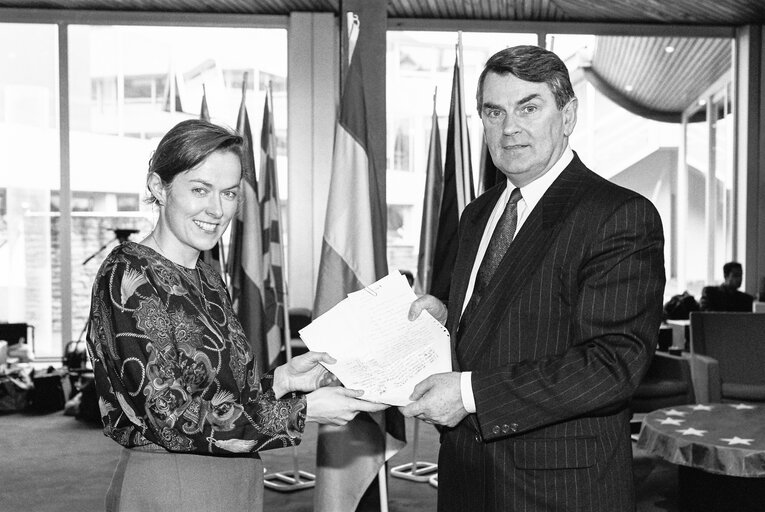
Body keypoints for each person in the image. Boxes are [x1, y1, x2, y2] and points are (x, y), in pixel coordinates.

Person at [402, 45, 665, 511]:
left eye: (529, 107)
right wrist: (446, 320)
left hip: (557, 489)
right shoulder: (477, 215)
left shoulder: (619, 215)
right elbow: (496, 323)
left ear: (567, 116)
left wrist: (467, 394)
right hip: (465, 476)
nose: (510, 127)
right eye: (494, 111)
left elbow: (612, 365)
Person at [85, 119, 386, 512]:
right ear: (159, 187)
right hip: (173, 483)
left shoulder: (207, 277)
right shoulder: (129, 274)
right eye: (199, 190)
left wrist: (280, 382)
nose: (217, 209)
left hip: (233, 478)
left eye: (228, 193)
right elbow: (171, 419)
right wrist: (304, 412)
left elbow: (218, 396)